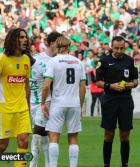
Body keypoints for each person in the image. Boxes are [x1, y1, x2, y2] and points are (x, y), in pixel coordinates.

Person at [41, 36, 86, 167]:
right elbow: (82, 88)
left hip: (58, 103)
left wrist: (43, 103)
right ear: (69, 46)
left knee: (54, 137)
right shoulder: (78, 62)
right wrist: (80, 106)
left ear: (57, 46)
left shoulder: (53, 61)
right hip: (74, 104)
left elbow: (46, 86)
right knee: (73, 138)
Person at [96, 36, 138, 167]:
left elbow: (136, 79)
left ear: (125, 46)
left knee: (125, 135)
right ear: (111, 47)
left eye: (122, 48)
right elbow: (98, 82)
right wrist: (111, 86)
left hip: (125, 100)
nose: (119, 50)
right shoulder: (104, 60)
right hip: (109, 100)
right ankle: (106, 164)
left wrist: (133, 84)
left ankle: (124, 164)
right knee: (109, 134)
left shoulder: (130, 61)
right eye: (116, 48)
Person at [29, 31, 62, 167]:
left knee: (37, 135)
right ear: (50, 43)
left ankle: (33, 165)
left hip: (47, 103)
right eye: (58, 43)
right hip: (32, 103)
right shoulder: (37, 58)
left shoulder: (60, 60)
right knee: (43, 137)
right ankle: (49, 164)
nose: (61, 46)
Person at [0, 28, 32, 167]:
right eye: (21, 37)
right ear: (13, 40)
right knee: (2, 145)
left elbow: (26, 85)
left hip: (22, 108)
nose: (25, 40)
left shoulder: (26, 60)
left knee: (24, 140)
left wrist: (28, 107)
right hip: (5, 109)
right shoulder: (2, 59)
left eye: (25, 37)